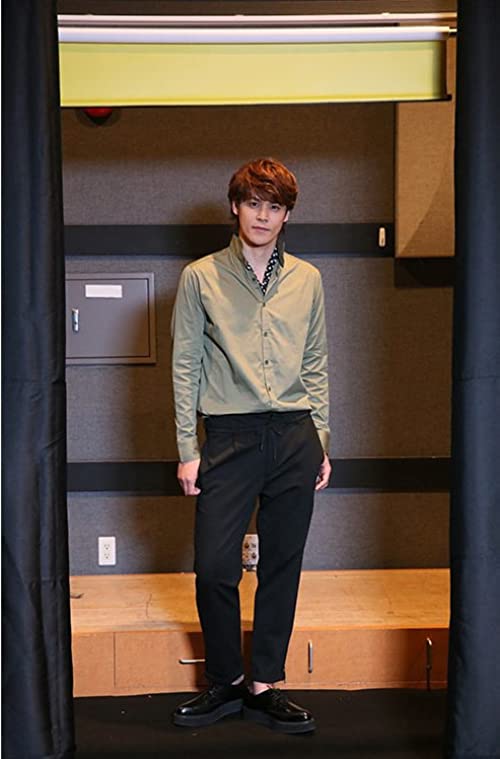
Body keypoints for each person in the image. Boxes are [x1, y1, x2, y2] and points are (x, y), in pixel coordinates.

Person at [171, 157, 331, 734]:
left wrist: (322, 439)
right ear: (235, 207)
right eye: (254, 203)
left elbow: (316, 363)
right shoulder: (200, 277)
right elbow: (185, 365)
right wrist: (187, 447)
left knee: (282, 564)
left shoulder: (308, 279)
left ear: (287, 215)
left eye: (275, 207)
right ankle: (226, 681)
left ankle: (265, 683)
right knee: (215, 567)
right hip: (229, 438)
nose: (263, 216)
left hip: (294, 435)